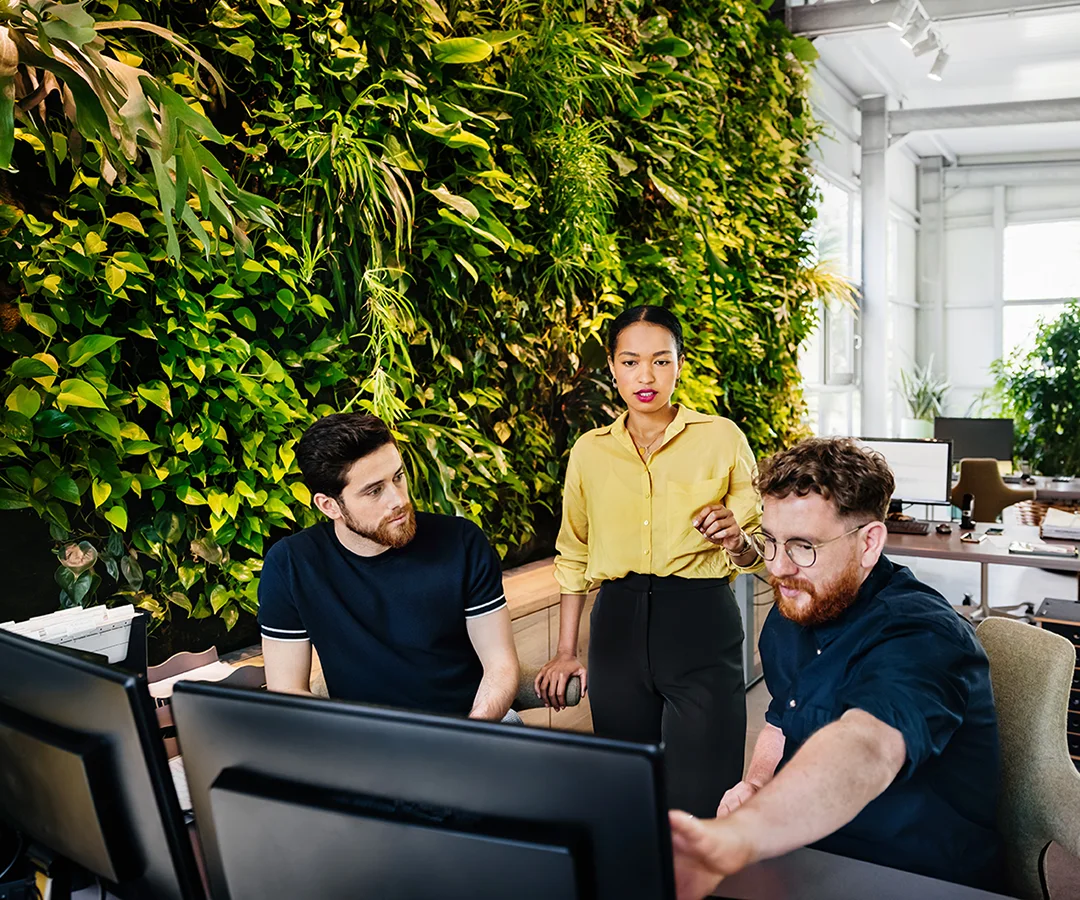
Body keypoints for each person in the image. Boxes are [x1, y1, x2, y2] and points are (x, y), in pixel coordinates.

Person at [669, 437, 1003, 899]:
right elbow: (782, 721)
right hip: (813, 857)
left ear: (869, 543)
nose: (779, 567)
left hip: (914, 873)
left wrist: (743, 835)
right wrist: (755, 783)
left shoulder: (922, 634)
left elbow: (866, 746)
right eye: (770, 541)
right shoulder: (795, 613)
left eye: (803, 546)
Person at [536, 305, 763, 818]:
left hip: (700, 622)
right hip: (616, 624)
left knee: (704, 797)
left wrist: (735, 539)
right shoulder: (589, 452)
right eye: (631, 361)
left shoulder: (721, 437)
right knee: (626, 788)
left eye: (660, 361)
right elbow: (573, 553)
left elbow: (757, 551)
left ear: (679, 365)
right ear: (613, 368)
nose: (646, 376)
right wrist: (567, 650)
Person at [257, 412, 521, 721]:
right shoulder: (291, 565)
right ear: (329, 506)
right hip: (363, 744)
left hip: (468, 725)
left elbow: (500, 665)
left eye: (398, 477)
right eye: (374, 490)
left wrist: (469, 734)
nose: (397, 499)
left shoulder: (461, 543)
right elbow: (286, 692)